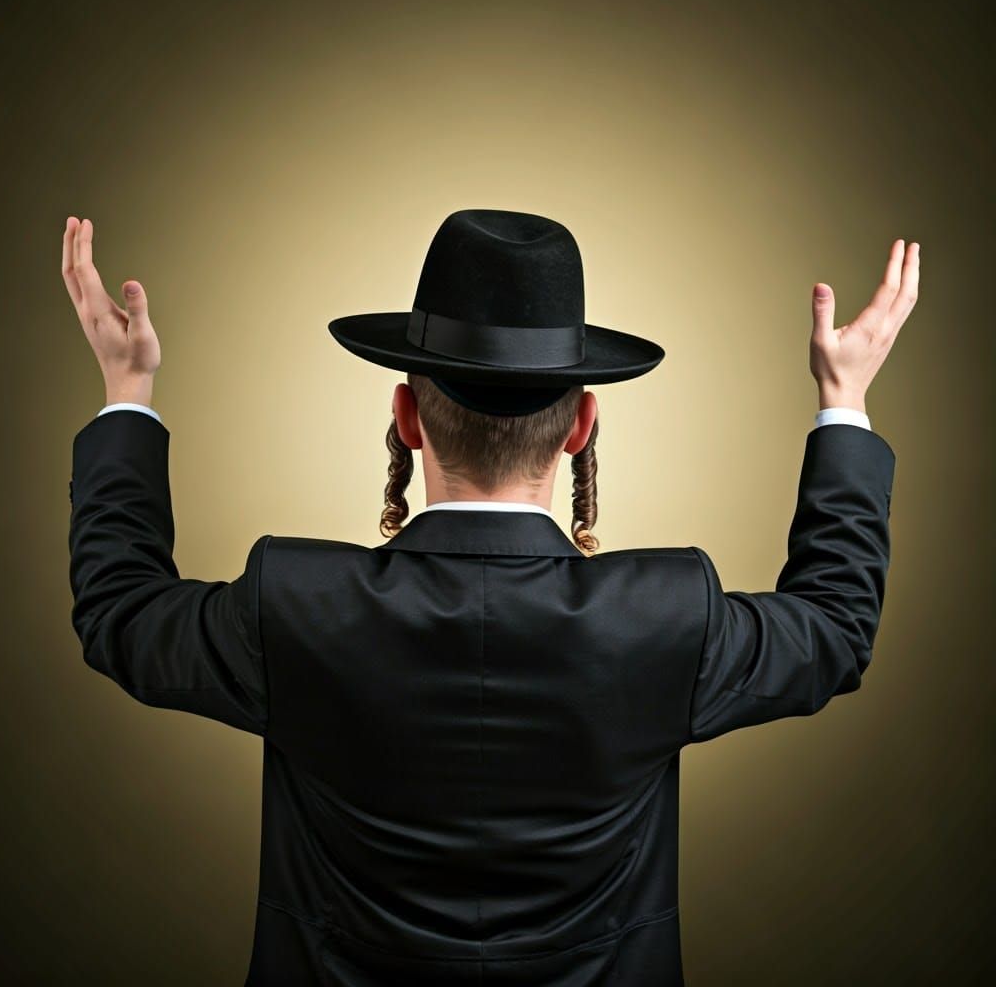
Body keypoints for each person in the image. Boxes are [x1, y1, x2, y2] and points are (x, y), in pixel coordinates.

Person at [65, 209, 918, 985]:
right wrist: (844, 401)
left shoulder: (293, 604)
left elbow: (121, 614)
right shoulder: (668, 613)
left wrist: (126, 393)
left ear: (406, 415)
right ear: (582, 424)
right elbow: (837, 627)